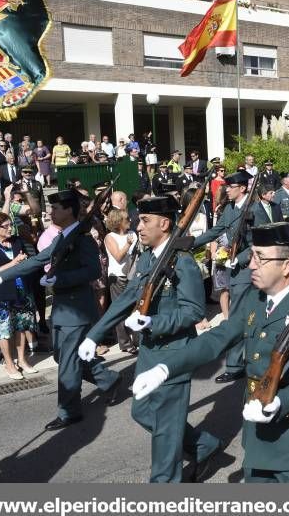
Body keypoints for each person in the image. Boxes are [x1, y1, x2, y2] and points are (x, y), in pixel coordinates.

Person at [132, 220, 289, 483]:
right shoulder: (256, 298)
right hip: (257, 441)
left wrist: (281, 401)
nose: (251, 264)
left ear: (286, 265)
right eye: (252, 254)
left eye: (260, 257)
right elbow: (217, 338)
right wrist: (166, 368)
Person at [79, 195, 221, 483]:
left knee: (167, 427)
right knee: (142, 411)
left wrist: (154, 322)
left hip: (175, 352)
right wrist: (93, 336)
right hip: (149, 351)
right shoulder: (146, 257)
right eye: (138, 220)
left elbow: (193, 311)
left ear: (165, 223)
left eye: (144, 221)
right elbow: (127, 298)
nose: (138, 227)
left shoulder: (183, 263)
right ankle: (203, 445)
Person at [0, 189, 121, 430]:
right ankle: (109, 379)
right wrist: (3, 276)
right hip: (62, 308)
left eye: (55, 208)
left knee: (68, 361)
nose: (50, 212)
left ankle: (69, 411)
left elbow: (92, 271)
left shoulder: (84, 239)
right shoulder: (62, 237)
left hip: (77, 310)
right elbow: (38, 260)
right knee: (64, 356)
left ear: (69, 210)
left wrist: (59, 280)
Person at [192, 171, 253, 382]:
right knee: (244, 317)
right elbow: (217, 230)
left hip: (248, 270)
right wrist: (192, 242)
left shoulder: (253, 209)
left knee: (237, 317)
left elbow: (259, 241)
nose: (227, 189)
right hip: (235, 270)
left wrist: (242, 257)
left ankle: (236, 365)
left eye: (231, 187)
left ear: (242, 188)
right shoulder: (230, 209)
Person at [0, 212, 40, 380]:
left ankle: (22, 360)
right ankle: (9, 364)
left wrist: (25, 263)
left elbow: (28, 261)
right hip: (0, 293)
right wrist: (13, 263)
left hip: (22, 290)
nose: (11, 228)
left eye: (11, 225)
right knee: (4, 330)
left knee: (22, 326)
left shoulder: (17, 242)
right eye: (6, 226)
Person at [104, 208, 139, 355]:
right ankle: (125, 343)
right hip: (117, 277)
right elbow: (118, 257)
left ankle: (138, 339)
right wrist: (128, 244)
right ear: (118, 222)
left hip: (133, 275)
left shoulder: (132, 233)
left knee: (136, 308)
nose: (130, 221)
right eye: (127, 219)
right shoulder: (110, 237)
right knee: (121, 310)